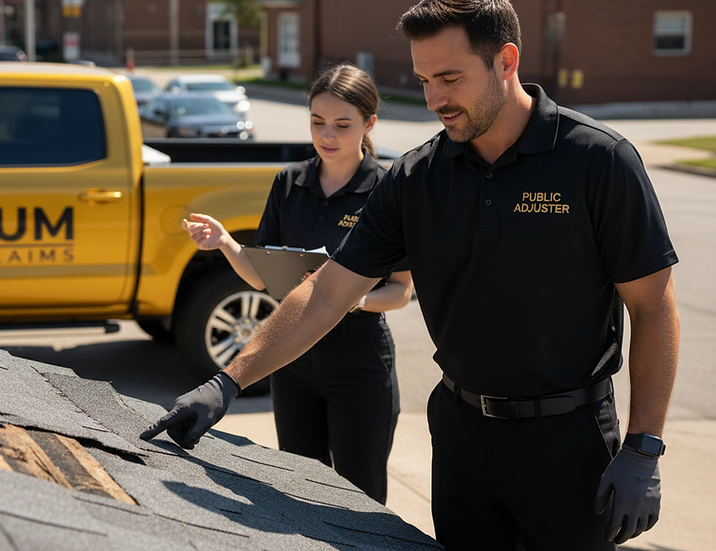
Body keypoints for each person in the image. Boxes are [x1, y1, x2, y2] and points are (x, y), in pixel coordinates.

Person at [142, 0, 681, 549]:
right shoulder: (415, 178)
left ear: (506, 61)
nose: (433, 99)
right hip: (461, 438)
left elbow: (653, 306)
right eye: (424, 80)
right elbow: (327, 291)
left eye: (450, 78)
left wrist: (643, 447)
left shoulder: (597, 161)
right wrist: (228, 381)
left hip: (568, 443)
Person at [178, 63, 414, 503]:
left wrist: (350, 299)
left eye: (342, 124)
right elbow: (264, 279)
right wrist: (226, 242)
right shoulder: (289, 183)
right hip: (290, 360)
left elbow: (401, 290)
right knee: (298, 493)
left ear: (369, 123)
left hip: (359, 364)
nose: (328, 135)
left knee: (361, 498)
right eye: (317, 122)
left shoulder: (386, 190)